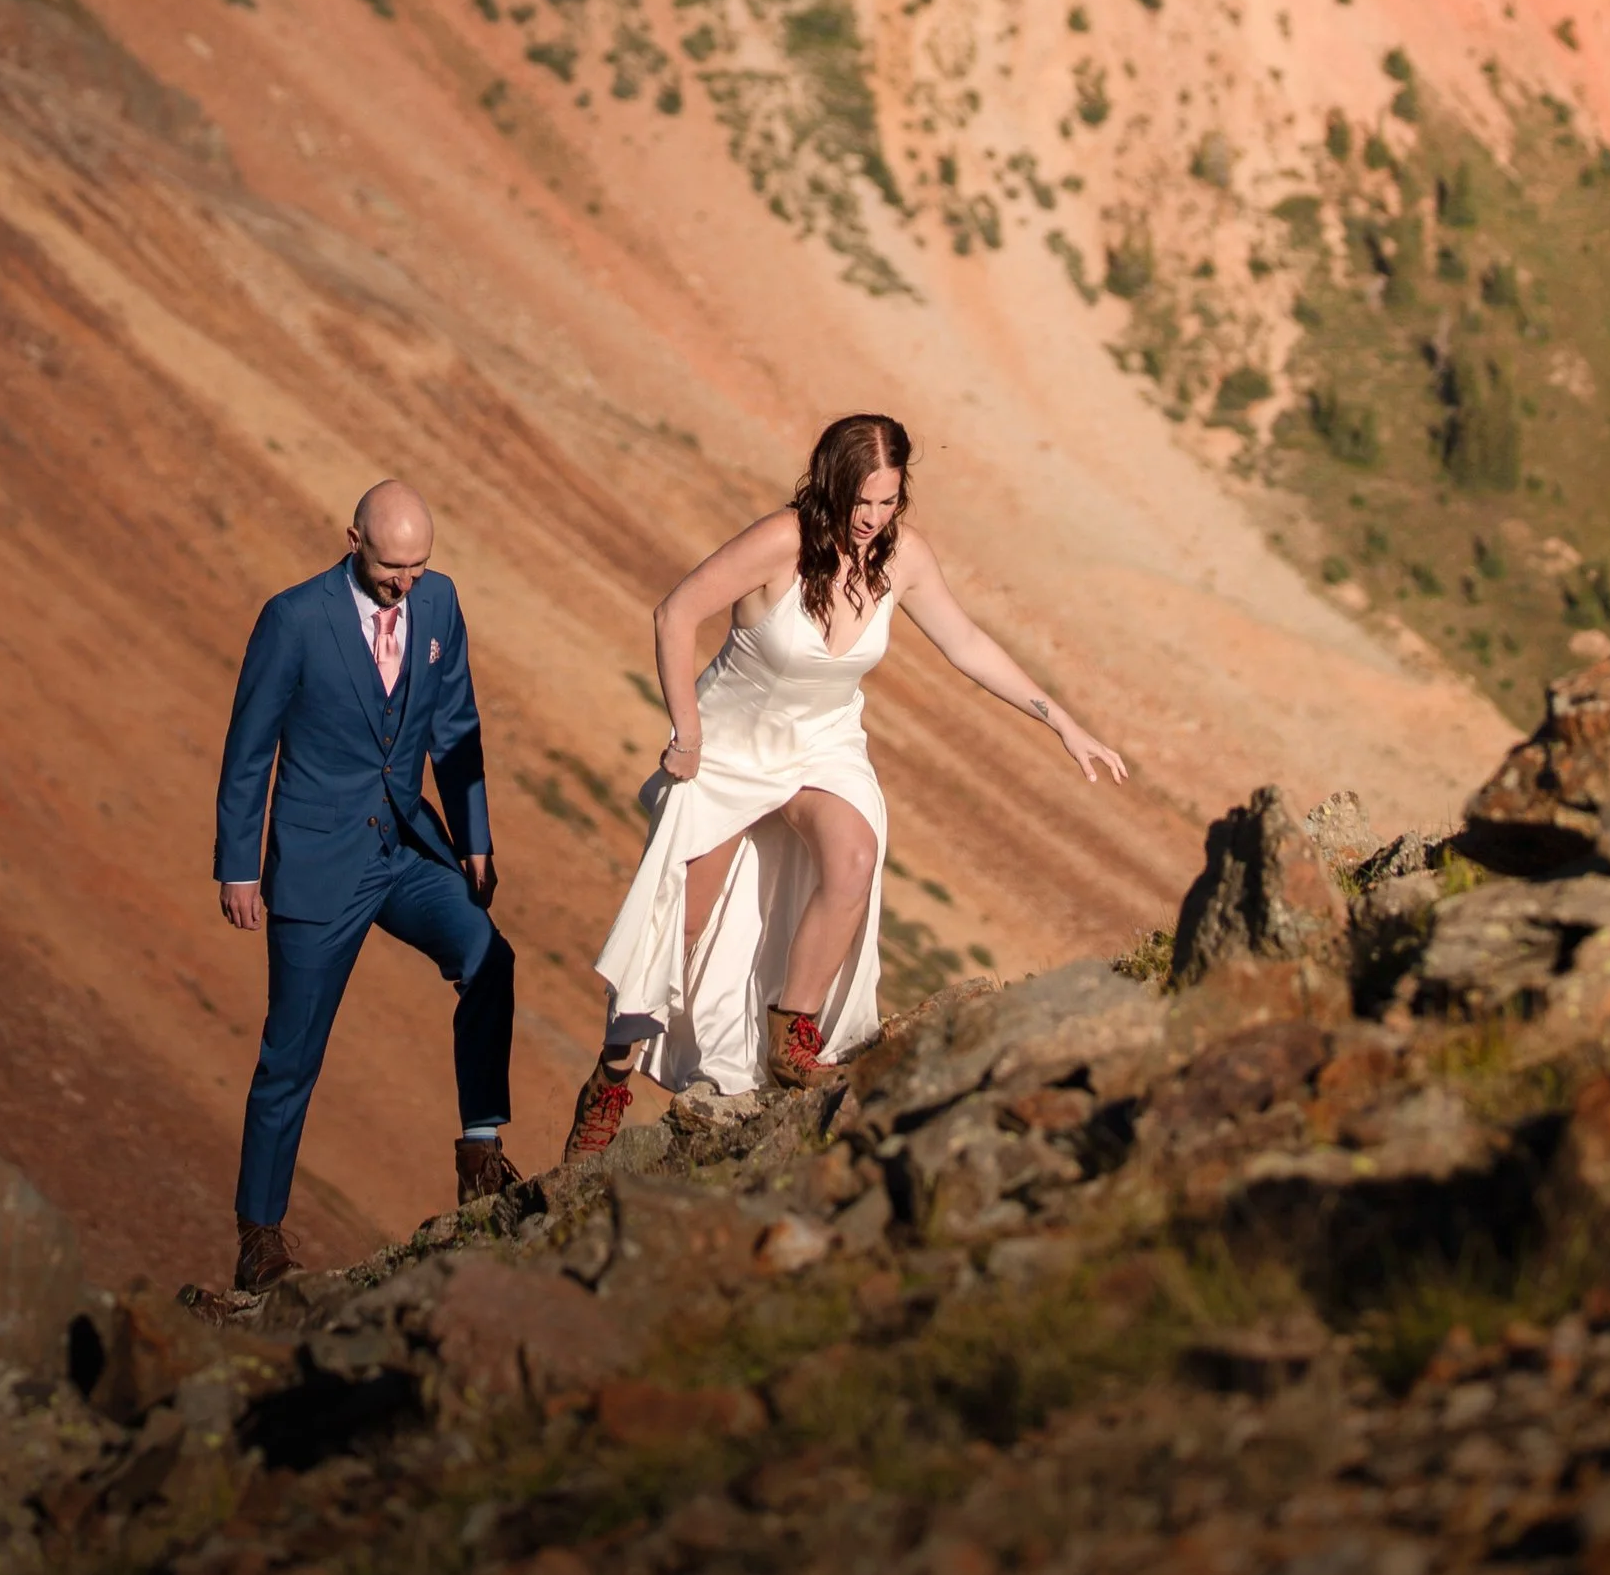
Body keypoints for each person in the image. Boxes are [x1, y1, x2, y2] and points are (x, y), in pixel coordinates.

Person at [568, 413, 1127, 1154]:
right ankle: (611, 1076)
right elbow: (675, 614)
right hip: (731, 745)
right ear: (831, 485)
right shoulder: (781, 542)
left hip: (824, 744)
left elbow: (966, 643)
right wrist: (687, 733)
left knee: (855, 859)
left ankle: (792, 1032)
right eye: (861, 502)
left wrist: (1062, 722)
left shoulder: (905, 559)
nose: (872, 519)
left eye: (888, 502)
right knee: (680, 924)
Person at [212, 477, 520, 1293]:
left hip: (406, 850)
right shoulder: (294, 620)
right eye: (392, 567)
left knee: (487, 955)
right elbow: (250, 749)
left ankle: (482, 1147)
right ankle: (259, 1235)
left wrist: (474, 837)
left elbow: (457, 724)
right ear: (353, 540)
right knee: (292, 1054)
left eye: (419, 565)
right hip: (317, 864)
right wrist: (240, 866)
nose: (406, 582)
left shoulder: (439, 605)